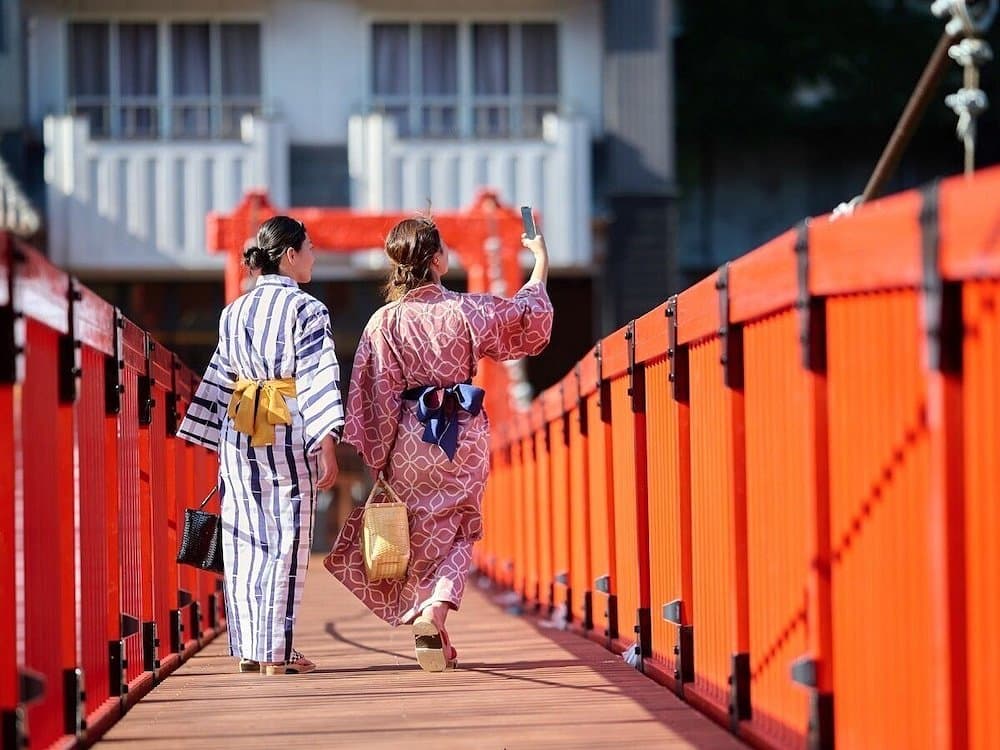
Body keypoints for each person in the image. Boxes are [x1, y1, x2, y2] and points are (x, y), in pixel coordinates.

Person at [324, 217, 553, 672]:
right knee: (461, 527)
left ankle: (428, 619)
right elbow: (525, 321)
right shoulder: (467, 310)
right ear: (436, 260)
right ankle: (435, 613)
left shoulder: (383, 321)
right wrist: (540, 261)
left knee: (416, 530)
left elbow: (376, 394)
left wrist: (380, 459)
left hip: (409, 437)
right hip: (462, 433)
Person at [178, 216, 344, 676]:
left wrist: (204, 435)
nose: (314, 255)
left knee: (245, 538)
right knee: (287, 540)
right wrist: (327, 440)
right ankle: (279, 651)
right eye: (309, 247)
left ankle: (251, 649)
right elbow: (318, 377)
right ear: (289, 255)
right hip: (288, 426)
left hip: (240, 429)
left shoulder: (233, 310)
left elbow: (219, 377)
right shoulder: (308, 310)